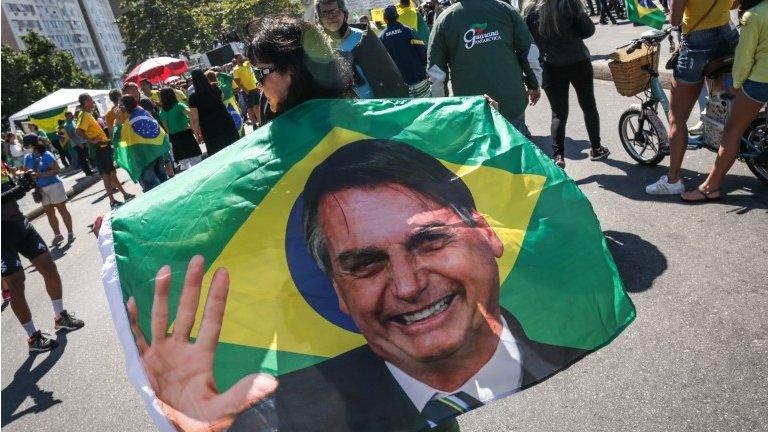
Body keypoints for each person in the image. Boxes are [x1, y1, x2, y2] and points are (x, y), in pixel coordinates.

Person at [126, 139, 588, 432]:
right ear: (337, 293)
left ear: (486, 233)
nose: (407, 286)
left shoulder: (571, 340)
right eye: (365, 265)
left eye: (429, 241)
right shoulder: (286, 414)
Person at [645, 0, 739, 195]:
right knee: (726, 102)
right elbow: (734, 5)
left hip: (698, 43)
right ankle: (719, 129)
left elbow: (675, 19)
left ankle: (673, 180)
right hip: (728, 36)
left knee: (677, 118)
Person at [682, 0, 768, 202]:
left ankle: (711, 186)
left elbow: (743, 59)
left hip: (761, 81)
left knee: (733, 130)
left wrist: (736, 86)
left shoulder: (752, 16)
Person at [2, 161, 84, 353]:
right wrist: (16, 191)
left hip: (19, 224)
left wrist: (23, 184)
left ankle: (60, 317)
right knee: (16, 283)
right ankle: (32, 337)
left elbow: (9, 192)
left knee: (48, 265)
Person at [428, 0, 541, 134]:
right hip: (511, 101)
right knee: (516, 150)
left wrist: (443, 108)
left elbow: (436, 73)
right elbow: (528, 52)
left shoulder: (444, 19)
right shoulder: (505, 9)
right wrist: (534, 85)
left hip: (473, 107)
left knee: (483, 152)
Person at [525, 0, 610, 168]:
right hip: (578, 60)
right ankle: (596, 148)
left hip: (549, 65)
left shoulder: (530, 11)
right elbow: (588, 30)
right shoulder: (569, 4)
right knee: (588, 105)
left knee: (558, 113)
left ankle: (558, 156)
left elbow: (528, 42)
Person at [316, 0, 409, 99]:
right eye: (324, 14)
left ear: (344, 13)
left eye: (335, 12)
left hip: (380, 107)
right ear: (320, 20)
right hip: (351, 112)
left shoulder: (365, 38)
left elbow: (391, 77)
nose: (330, 17)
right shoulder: (324, 48)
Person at [76, 93, 134, 209]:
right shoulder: (84, 114)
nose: (93, 103)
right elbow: (78, 130)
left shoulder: (88, 114)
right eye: (91, 100)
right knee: (107, 175)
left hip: (103, 147)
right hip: (99, 149)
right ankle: (114, 200)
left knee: (111, 173)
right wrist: (91, 140)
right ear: (86, 102)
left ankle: (124, 195)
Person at [21, 134, 74, 245]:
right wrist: (25, 174)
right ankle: (58, 235)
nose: (26, 147)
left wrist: (40, 174)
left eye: (27, 145)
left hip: (54, 186)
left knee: (62, 210)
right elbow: (25, 172)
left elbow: (56, 170)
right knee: (50, 214)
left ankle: (70, 233)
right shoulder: (28, 157)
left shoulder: (46, 155)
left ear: (33, 144)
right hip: (40, 189)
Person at [380, 5, 431, 98]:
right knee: (426, 107)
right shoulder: (409, 30)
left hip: (399, 83)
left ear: (385, 19)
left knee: (410, 111)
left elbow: (382, 63)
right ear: (397, 16)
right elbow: (423, 52)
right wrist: (425, 69)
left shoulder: (381, 38)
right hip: (418, 77)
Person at [188, 69, 240, 156]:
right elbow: (222, 98)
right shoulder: (215, 87)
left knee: (218, 155)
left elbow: (195, 118)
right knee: (234, 148)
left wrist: (197, 134)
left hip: (209, 128)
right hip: (225, 121)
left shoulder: (193, 97)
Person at [158, 88, 203, 170]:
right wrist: (191, 126)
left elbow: (167, 129)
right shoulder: (179, 106)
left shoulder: (161, 112)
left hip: (175, 139)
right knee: (196, 161)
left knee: (184, 165)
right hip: (186, 135)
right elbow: (193, 115)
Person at [233, 53, 261, 126]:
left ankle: (260, 120)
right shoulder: (236, 69)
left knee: (256, 105)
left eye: (242, 56)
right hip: (247, 91)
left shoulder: (246, 64)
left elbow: (251, 58)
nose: (242, 58)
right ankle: (254, 123)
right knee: (250, 107)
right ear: (236, 59)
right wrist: (245, 90)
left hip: (254, 87)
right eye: (240, 57)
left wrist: (244, 58)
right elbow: (237, 81)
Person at [63, 111, 94, 176]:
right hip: (77, 144)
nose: (71, 116)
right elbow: (71, 136)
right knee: (82, 159)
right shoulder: (66, 125)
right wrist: (79, 144)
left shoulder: (74, 121)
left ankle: (92, 169)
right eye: (69, 116)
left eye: (71, 115)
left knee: (88, 156)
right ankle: (88, 172)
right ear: (66, 117)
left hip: (83, 141)